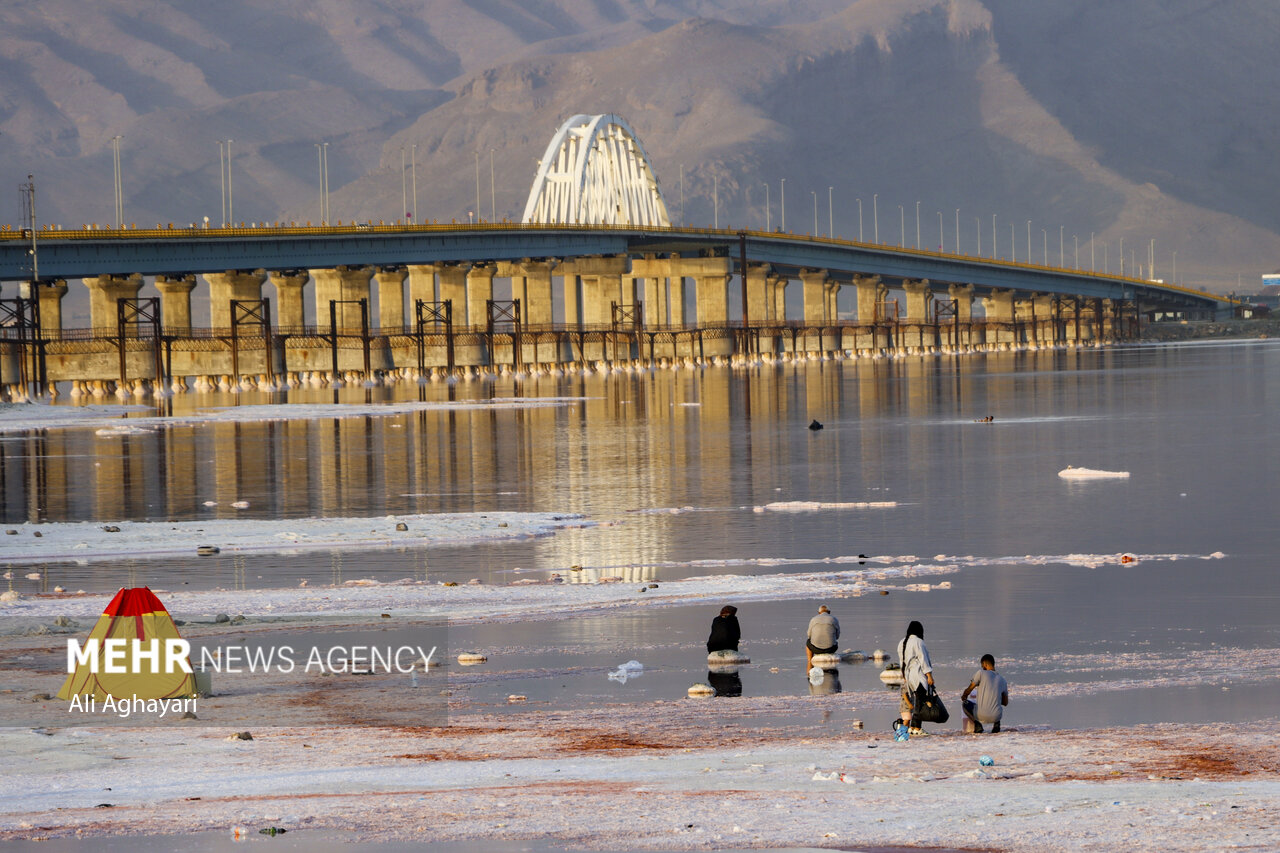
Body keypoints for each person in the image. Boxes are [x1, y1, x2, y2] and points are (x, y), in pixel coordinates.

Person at [896, 620, 935, 736]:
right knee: (920, 703)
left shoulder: (902, 642)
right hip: (918, 676)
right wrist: (929, 675)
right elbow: (923, 659)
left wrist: (904, 677)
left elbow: (901, 661)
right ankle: (916, 728)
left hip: (908, 677)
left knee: (917, 701)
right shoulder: (918, 642)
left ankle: (913, 727)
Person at [961, 653, 1009, 733]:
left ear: (984, 664)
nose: (982, 667)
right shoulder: (1003, 680)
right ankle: (996, 725)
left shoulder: (980, 673)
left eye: (982, 665)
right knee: (997, 703)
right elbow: (1005, 703)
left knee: (965, 704)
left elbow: (969, 690)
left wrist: (964, 696)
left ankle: (977, 724)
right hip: (996, 716)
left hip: (980, 715)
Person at [805, 605, 840, 669]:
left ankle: (809, 662)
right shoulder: (834, 619)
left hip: (816, 649)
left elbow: (809, 635)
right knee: (835, 641)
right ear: (829, 612)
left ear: (819, 612)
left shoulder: (813, 619)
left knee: (808, 642)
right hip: (831, 648)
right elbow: (837, 636)